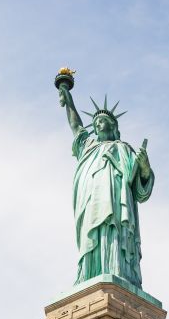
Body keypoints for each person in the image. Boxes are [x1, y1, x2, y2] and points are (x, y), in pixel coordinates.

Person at [58, 87, 154, 287]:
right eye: (95, 122)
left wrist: (144, 169)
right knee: (91, 234)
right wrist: (69, 102)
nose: (98, 124)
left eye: (102, 121)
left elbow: (140, 191)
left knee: (113, 232)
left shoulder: (124, 149)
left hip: (117, 204)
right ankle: (89, 274)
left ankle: (117, 270)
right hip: (91, 200)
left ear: (113, 126)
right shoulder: (88, 146)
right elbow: (76, 127)